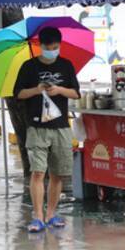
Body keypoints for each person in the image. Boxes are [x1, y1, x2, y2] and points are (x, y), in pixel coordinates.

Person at [13, 27, 80, 233]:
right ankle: (38, 216)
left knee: (58, 174)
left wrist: (59, 90)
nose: (52, 51)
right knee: (38, 173)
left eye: (56, 47)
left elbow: (76, 93)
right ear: (40, 46)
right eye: (49, 48)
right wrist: (37, 89)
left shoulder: (66, 65)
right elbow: (19, 94)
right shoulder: (28, 66)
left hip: (60, 126)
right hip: (37, 127)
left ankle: (51, 214)